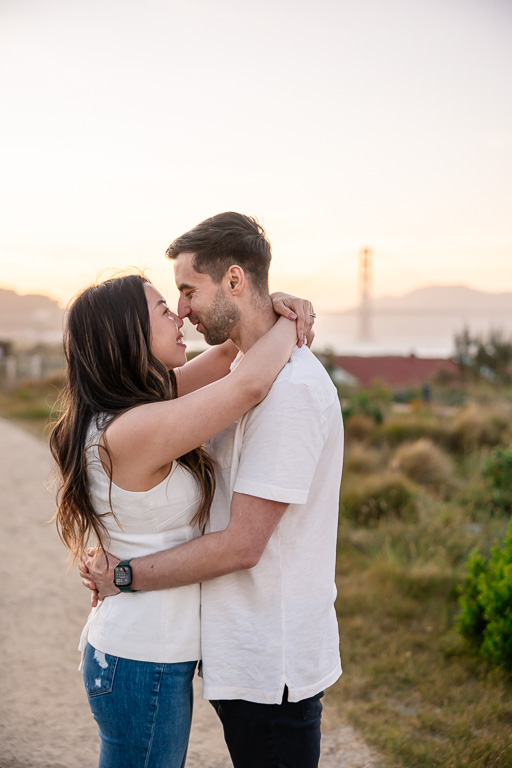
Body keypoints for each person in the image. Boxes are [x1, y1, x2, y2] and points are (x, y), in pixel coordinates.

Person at [82, 212, 344, 768]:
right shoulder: (145, 414)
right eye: (167, 304)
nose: (180, 309)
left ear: (232, 280)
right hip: (187, 654)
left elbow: (244, 542)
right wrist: (281, 315)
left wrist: (282, 310)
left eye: (185, 290)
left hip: (266, 662)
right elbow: (243, 376)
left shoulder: (287, 387)